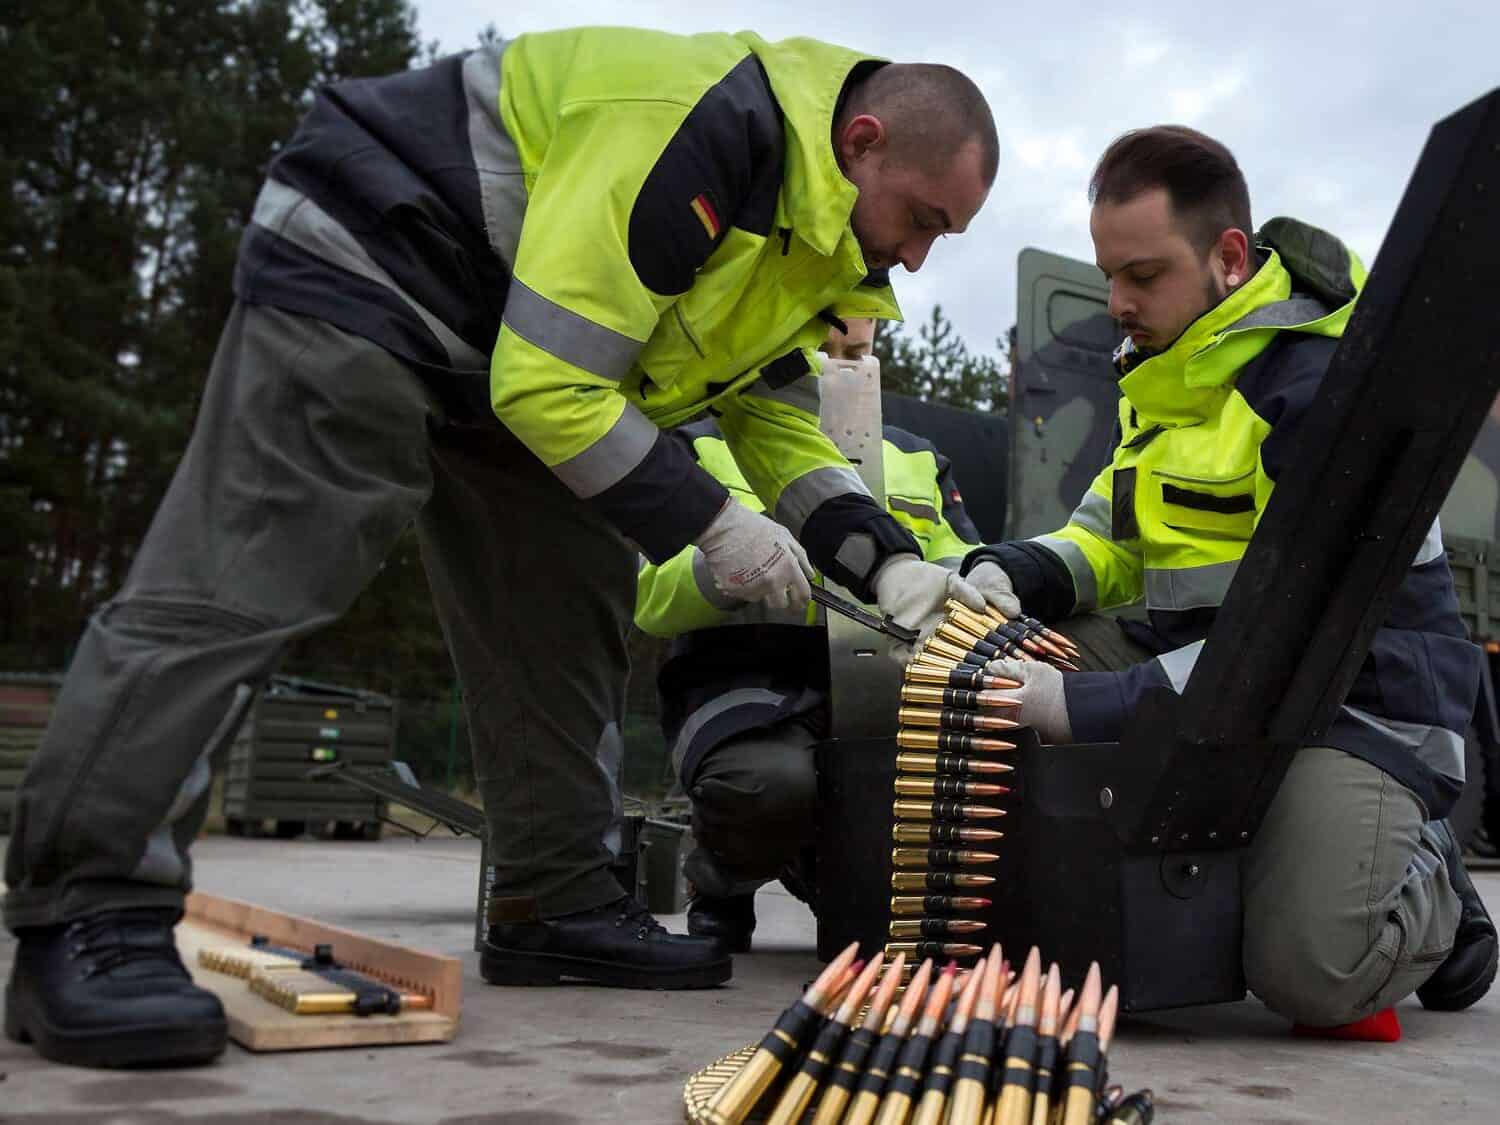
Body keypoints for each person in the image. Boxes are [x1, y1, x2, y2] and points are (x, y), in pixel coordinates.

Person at [2, 28, 998, 1068]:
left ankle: (552, 902)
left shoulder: (806, 242)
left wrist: (889, 562)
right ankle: (87, 906)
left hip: (514, 342)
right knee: (254, 565)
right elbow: (549, 384)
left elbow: (775, 422)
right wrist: (713, 521)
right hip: (380, 256)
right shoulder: (701, 132)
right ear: (862, 142)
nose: (918, 257)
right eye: (923, 219)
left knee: (562, 600)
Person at [959, 125, 1497, 1028]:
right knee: (997, 656)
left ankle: (1432, 874)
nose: (1118, 302)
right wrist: (1013, 574)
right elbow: (1112, 542)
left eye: (1144, 274)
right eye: (1109, 275)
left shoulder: (1322, 392)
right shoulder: (1164, 375)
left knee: (1314, 970)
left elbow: (1288, 637)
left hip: (1353, 705)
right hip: (1211, 677)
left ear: (1230, 258)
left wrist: (1079, 703)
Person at [635, 318, 984, 950]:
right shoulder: (700, 437)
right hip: (741, 677)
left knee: (922, 820)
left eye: (856, 351)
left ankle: (816, 865)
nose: (836, 367)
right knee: (767, 785)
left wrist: (962, 586)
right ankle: (724, 881)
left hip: (882, 685)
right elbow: (646, 595)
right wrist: (726, 565)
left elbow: (957, 556)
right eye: (821, 350)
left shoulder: (916, 456)